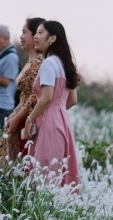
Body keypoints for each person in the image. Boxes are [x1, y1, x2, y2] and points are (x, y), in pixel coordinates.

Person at [25, 20, 81, 190]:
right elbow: (72, 100)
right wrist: (57, 111)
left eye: (40, 33)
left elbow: (46, 97)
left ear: (53, 38)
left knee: (44, 172)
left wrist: (30, 118)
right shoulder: (64, 64)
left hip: (49, 123)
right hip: (62, 122)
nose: (35, 36)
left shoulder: (49, 63)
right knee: (58, 173)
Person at [1, 17, 46, 161]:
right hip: (22, 113)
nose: (20, 36)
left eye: (24, 32)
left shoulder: (39, 62)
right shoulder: (31, 61)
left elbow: (35, 96)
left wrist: (18, 117)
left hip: (29, 118)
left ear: (35, 36)